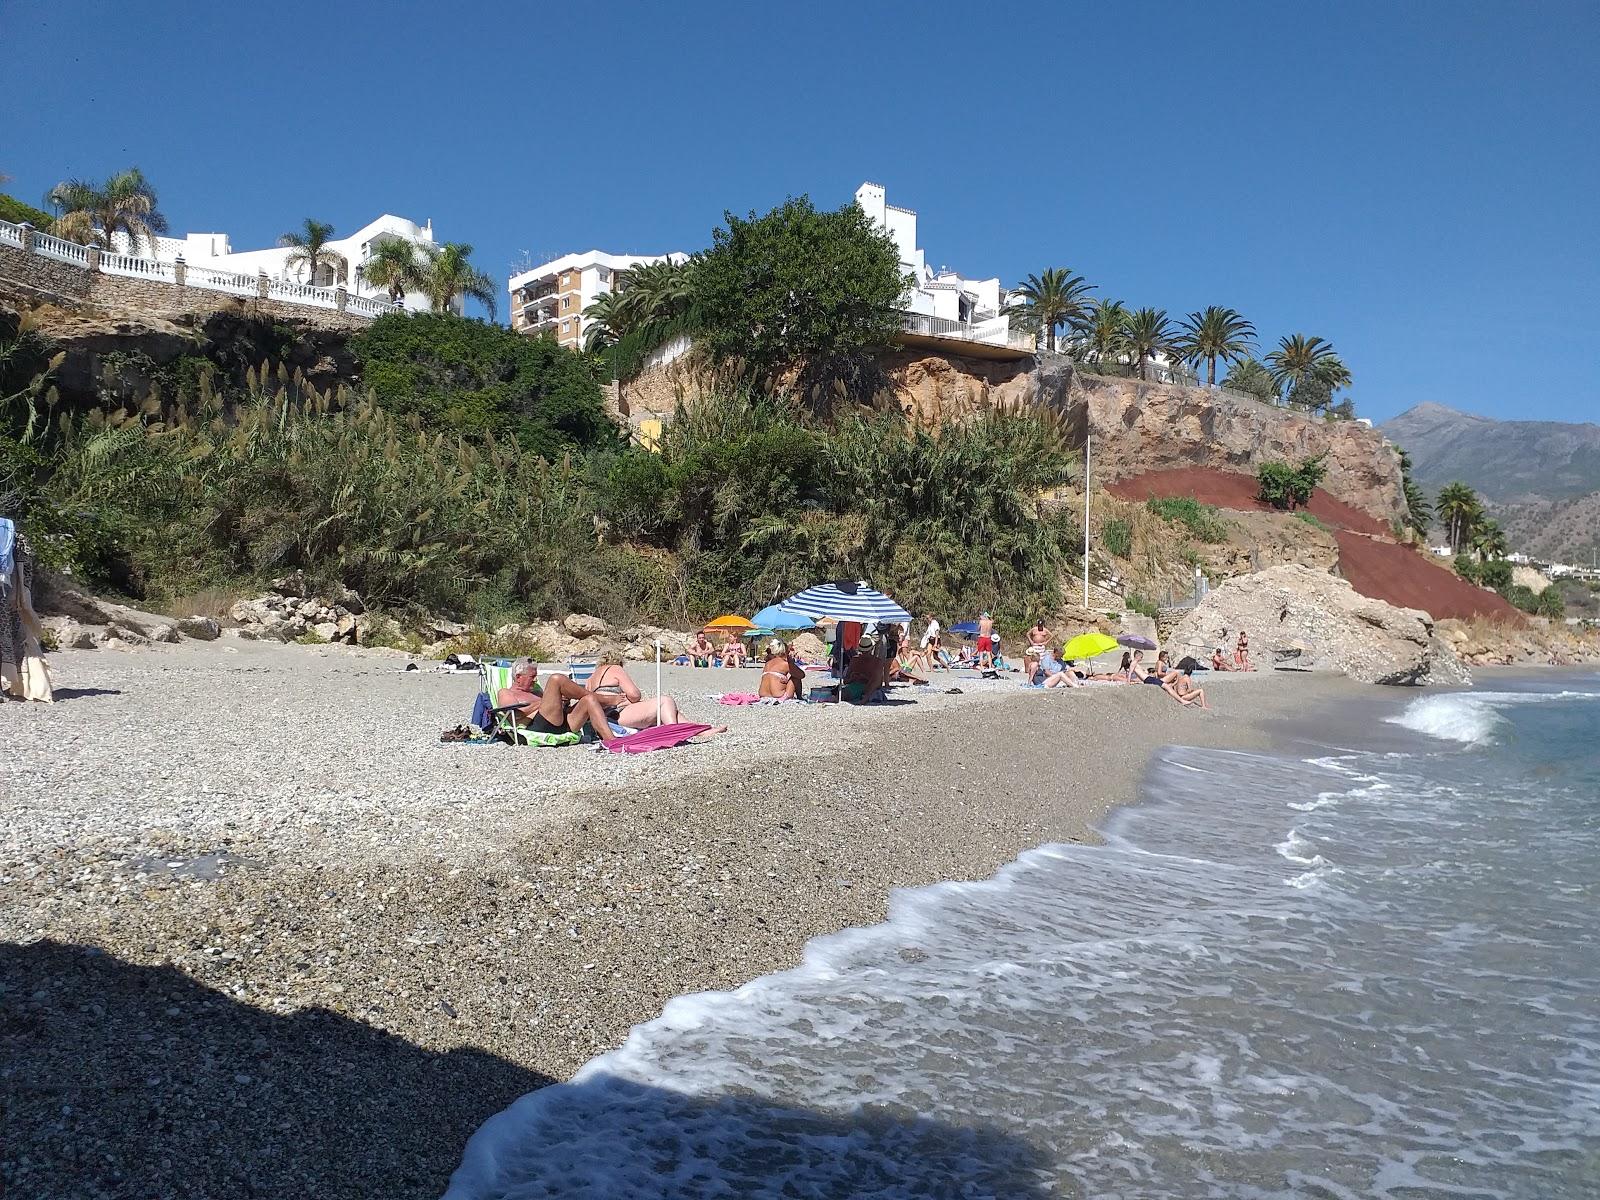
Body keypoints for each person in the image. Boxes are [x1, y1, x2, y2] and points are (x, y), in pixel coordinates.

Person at [496, 658, 617, 743]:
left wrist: (562, 703)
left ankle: (611, 741)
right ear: (518, 677)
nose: (535, 680)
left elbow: (551, 710)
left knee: (589, 700)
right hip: (537, 728)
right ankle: (603, 699)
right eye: (532, 677)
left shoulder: (536, 691)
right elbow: (515, 715)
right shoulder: (506, 692)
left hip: (561, 724)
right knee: (556, 679)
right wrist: (542, 703)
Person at [587, 652, 683, 729]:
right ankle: (673, 731)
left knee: (668, 710)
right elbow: (634, 695)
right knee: (665, 701)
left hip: (600, 718)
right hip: (616, 714)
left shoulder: (590, 678)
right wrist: (627, 700)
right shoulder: (615, 668)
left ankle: (696, 729)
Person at [841, 633, 893, 702]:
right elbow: (877, 683)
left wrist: (854, 678)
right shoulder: (877, 662)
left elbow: (846, 681)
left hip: (859, 687)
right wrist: (853, 678)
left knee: (843, 693)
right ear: (872, 648)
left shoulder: (855, 660)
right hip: (861, 687)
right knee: (844, 693)